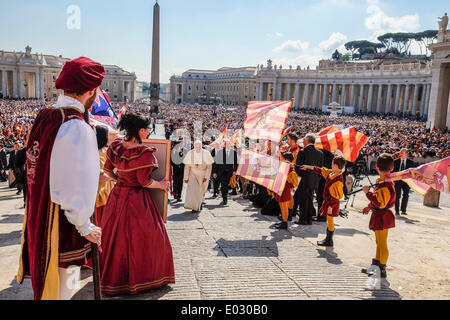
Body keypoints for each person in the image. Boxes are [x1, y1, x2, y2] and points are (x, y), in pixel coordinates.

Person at [17, 57, 104, 300]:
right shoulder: (76, 126)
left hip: (40, 212)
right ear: (90, 90)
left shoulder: (46, 114)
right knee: (62, 291)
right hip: (63, 224)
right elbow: (73, 183)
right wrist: (85, 225)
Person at [100, 112, 175, 296]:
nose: (149, 132)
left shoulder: (116, 147)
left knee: (115, 237)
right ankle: (142, 279)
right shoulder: (143, 153)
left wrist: (120, 179)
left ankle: (115, 278)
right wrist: (162, 185)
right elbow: (145, 182)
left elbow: (107, 171)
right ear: (141, 131)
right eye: (148, 129)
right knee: (145, 238)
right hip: (136, 201)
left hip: (117, 196)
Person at [361, 154, 396, 279]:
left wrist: (367, 193)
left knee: (382, 243)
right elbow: (379, 200)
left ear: (376, 167)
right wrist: (370, 206)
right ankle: (376, 266)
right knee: (379, 242)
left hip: (382, 216)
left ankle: (381, 269)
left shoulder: (385, 185)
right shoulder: (384, 182)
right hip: (380, 215)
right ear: (391, 168)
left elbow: (380, 203)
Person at [302, 155, 346, 247]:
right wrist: (308, 166)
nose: (331, 164)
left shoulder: (338, 180)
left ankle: (329, 240)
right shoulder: (332, 173)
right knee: (329, 220)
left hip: (331, 203)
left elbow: (336, 196)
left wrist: (331, 206)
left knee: (330, 221)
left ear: (336, 165)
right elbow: (320, 170)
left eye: (332, 163)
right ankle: (328, 239)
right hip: (328, 202)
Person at [295, 134, 324, 225]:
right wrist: (316, 179)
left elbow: (298, 167)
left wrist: (300, 176)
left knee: (303, 200)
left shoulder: (302, 151)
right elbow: (320, 168)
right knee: (310, 198)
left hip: (304, 179)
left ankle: (303, 219)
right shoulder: (320, 153)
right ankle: (309, 219)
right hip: (314, 180)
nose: (303, 141)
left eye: (304, 139)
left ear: (308, 140)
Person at [94, 125, 118, 226]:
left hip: (105, 194)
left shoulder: (103, 151)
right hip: (101, 196)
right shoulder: (100, 153)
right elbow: (101, 177)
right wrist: (118, 175)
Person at [183, 140, 214, 212]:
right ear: (194, 146)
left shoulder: (206, 153)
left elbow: (209, 167)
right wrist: (186, 177)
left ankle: (199, 204)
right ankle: (194, 207)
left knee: (201, 191)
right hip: (193, 174)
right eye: (196, 147)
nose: (198, 148)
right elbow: (187, 167)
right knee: (193, 191)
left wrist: (206, 177)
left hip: (203, 175)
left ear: (201, 146)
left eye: (199, 147)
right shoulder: (190, 153)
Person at [271, 153, 299, 230]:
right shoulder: (286, 168)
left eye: (283, 159)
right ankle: (283, 220)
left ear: (287, 160)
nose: (281, 160)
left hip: (285, 190)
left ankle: (285, 223)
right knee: (282, 206)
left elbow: (294, 183)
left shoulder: (291, 171)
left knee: (284, 207)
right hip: (282, 189)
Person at [213, 139, 238, 206]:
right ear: (225, 145)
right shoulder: (220, 152)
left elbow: (236, 163)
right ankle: (225, 198)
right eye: (227, 144)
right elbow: (216, 163)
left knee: (225, 185)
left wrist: (234, 171)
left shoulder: (234, 152)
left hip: (229, 172)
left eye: (229, 144)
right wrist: (214, 172)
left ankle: (225, 196)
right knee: (223, 185)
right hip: (221, 171)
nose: (228, 145)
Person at [393, 148, 415, 216]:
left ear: (406, 154)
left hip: (406, 181)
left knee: (406, 195)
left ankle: (403, 210)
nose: (400, 154)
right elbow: (392, 171)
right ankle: (396, 210)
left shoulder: (411, 162)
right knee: (397, 195)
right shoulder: (395, 161)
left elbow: (413, 172)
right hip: (397, 181)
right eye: (400, 152)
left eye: (402, 153)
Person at [315, 149, 334, 222]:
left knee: (321, 197)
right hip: (328, 178)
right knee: (324, 198)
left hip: (323, 177)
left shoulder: (323, 153)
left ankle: (321, 216)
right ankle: (322, 216)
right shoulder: (331, 155)